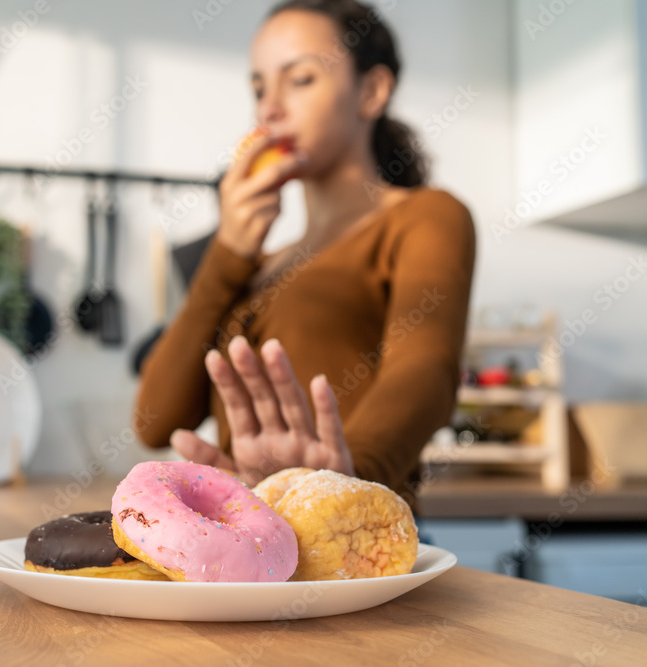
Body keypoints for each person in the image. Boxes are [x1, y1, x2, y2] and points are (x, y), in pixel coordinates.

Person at [134, 0, 476, 508]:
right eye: (258, 88)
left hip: (354, 541)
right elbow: (154, 420)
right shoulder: (255, 261)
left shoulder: (424, 215)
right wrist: (228, 253)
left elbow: (426, 369)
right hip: (255, 544)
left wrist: (343, 479)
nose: (269, 108)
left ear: (371, 91)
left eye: (300, 80)